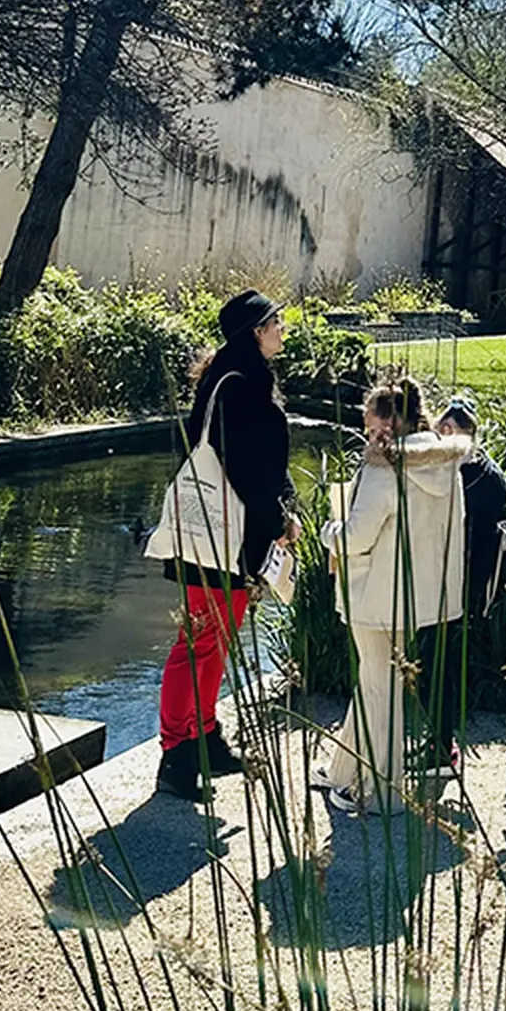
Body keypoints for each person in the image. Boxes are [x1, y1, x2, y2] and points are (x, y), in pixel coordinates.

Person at [150, 289, 299, 801]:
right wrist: (280, 519)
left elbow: (261, 465)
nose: (283, 328)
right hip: (220, 536)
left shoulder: (236, 377)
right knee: (198, 644)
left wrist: (280, 509)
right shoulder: (242, 385)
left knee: (214, 641)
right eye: (276, 321)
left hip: (224, 537)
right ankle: (176, 756)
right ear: (256, 330)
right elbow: (248, 469)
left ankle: (204, 736)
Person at [319, 379, 468, 814]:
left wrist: (331, 532)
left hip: (375, 592)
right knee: (375, 682)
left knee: (378, 686)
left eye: (370, 426)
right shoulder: (445, 461)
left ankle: (382, 791)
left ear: (389, 422)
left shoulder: (384, 467)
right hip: (419, 594)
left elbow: (356, 536)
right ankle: (343, 771)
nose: (368, 435)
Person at [406, 394, 506, 773]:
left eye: (442, 430)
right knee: (436, 661)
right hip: (456, 581)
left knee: (438, 663)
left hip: (453, 582)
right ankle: (440, 739)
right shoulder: (484, 473)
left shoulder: (466, 476)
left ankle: (442, 745)